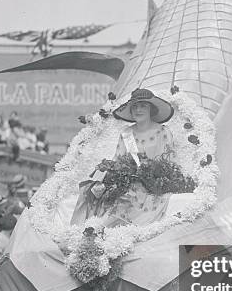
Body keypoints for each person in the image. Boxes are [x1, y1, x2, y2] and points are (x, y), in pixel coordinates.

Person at [71, 88, 176, 227]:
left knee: (129, 196)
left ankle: (108, 230)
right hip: (127, 180)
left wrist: (148, 174)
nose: (138, 110)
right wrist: (107, 173)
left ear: (151, 109)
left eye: (143, 106)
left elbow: (169, 163)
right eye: (135, 107)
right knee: (91, 191)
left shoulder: (163, 132)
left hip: (153, 183)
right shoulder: (127, 133)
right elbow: (118, 160)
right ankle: (84, 230)